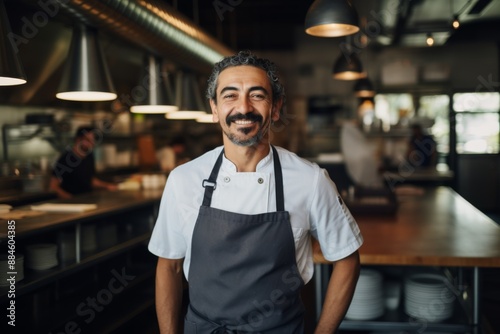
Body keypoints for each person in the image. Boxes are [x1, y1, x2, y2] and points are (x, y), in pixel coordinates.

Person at [148, 51, 363, 333]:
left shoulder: (310, 180)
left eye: (257, 95)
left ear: (275, 108)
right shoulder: (183, 179)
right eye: (230, 95)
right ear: (214, 109)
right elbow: (169, 266)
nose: (244, 107)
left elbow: (347, 259)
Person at [50, 126, 117, 199]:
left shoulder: (89, 156)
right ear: (78, 140)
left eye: (93, 140)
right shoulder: (66, 159)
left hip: (88, 201)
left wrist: (107, 186)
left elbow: (90, 180)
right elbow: (53, 187)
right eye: (88, 140)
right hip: (72, 205)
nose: (91, 144)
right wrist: (71, 199)